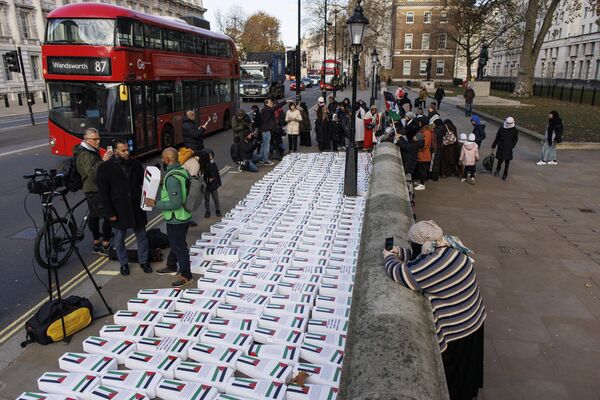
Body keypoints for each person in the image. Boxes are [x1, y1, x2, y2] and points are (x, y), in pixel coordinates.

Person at [382, 220, 485, 400]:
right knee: (469, 371)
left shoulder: (434, 264)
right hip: (473, 321)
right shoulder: (449, 248)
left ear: (419, 244)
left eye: (411, 244)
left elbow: (402, 274)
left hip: (458, 330)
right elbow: (419, 259)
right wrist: (400, 252)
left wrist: (388, 257)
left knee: (456, 379)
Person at [97, 139, 151, 276]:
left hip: (136, 207)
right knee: (120, 239)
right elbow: (103, 193)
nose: (127, 153)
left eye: (127, 149)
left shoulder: (136, 164)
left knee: (142, 236)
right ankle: (124, 264)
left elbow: (144, 184)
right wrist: (109, 213)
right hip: (118, 209)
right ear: (115, 152)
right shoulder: (105, 168)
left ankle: (144, 261)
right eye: (123, 150)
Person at [144, 148, 193, 288]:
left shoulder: (172, 177)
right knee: (176, 243)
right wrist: (161, 183)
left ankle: (186, 276)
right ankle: (171, 265)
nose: (161, 160)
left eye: (162, 157)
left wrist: (155, 203)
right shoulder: (181, 171)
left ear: (167, 159)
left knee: (179, 247)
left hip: (176, 218)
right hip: (184, 216)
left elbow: (175, 203)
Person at [74, 128, 113, 256]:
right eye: (95, 139)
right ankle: (105, 246)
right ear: (86, 140)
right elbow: (92, 174)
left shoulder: (89, 150)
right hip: (94, 190)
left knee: (94, 216)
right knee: (108, 215)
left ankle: (96, 244)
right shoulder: (85, 154)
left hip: (91, 189)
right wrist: (103, 161)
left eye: (98, 138)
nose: (98, 141)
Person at [259, 98, 287, 165]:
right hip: (266, 130)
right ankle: (265, 160)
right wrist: (285, 101)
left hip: (264, 129)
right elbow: (276, 107)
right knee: (266, 145)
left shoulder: (265, 109)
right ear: (267, 104)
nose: (272, 104)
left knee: (263, 145)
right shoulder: (267, 110)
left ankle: (261, 158)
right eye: (270, 103)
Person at [491, 116, 519, 181]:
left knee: (507, 163)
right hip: (501, 147)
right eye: (507, 123)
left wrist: (512, 146)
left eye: (510, 123)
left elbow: (516, 139)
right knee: (500, 161)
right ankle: (497, 170)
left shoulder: (515, 130)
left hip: (508, 148)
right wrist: (493, 146)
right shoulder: (501, 128)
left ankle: (505, 175)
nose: (508, 124)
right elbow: (497, 138)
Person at [199, 149, 222, 218]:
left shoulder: (214, 164)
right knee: (207, 199)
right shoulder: (204, 165)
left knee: (216, 198)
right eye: (209, 156)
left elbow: (217, 174)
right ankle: (207, 211)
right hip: (206, 186)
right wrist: (207, 180)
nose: (210, 157)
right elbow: (202, 175)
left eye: (211, 155)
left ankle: (217, 210)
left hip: (213, 185)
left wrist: (218, 182)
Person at [414, 120, 433, 191]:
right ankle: (420, 181)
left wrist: (417, 148)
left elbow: (424, 145)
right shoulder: (423, 131)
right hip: (421, 154)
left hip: (424, 155)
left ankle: (422, 184)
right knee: (420, 169)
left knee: (422, 170)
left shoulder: (427, 132)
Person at [430, 117, 444, 181]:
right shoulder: (443, 129)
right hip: (440, 147)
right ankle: (436, 177)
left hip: (436, 147)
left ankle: (432, 176)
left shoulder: (436, 130)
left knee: (434, 161)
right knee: (437, 162)